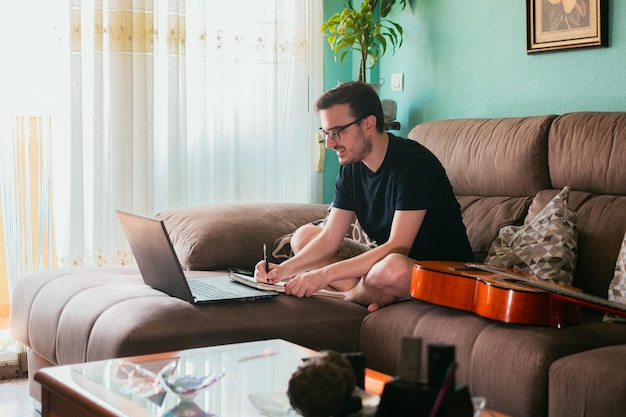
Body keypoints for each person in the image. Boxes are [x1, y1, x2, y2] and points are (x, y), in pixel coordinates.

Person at [255, 81, 473, 312]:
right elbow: (330, 239)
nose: (329, 143)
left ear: (368, 124)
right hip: (382, 266)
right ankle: (369, 293)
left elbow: (397, 247)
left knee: (392, 268)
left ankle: (352, 296)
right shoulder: (351, 167)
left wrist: (321, 275)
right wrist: (282, 271)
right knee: (304, 237)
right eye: (326, 133)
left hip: (441, 272)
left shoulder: (414, 164)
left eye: (336, 132)